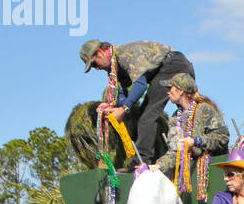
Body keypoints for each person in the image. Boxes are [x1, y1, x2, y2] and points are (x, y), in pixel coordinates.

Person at [80, 39, 195, 168]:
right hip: (171, 67)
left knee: (147, 114)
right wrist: (110, 107)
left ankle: (142, 159)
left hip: (173, 65)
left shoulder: (124, 54)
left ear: (100, 52)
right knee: (177, 113)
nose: (96, 68)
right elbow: (123, 93)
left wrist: (124, 109)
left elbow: (141, 84)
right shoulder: (114, 67)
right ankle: (189, 147)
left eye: (94, 63)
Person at [153, 72, 230, 187]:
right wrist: (158, 166)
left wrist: (195, 142)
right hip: (189, 177)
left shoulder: (204, 109)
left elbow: (222, 137)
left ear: (180, 91)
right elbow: (175, 151)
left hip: (213, 174)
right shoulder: (175, 117)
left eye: (171, 88)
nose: (168, 91)